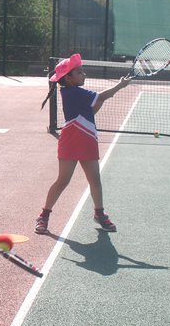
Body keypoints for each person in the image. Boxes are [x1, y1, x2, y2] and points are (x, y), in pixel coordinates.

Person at [35, 54, 130, 235]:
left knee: (94, 179)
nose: (83, 74)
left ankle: (99, 214)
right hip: (71, 141)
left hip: (87, 140)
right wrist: (120, 85)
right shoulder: (72, 92)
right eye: (79, 72)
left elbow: (91, 110)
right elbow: (102, 96)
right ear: (68, 78)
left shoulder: (77, 93)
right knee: (63, 181)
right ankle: (44, 215)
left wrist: (101, 99)